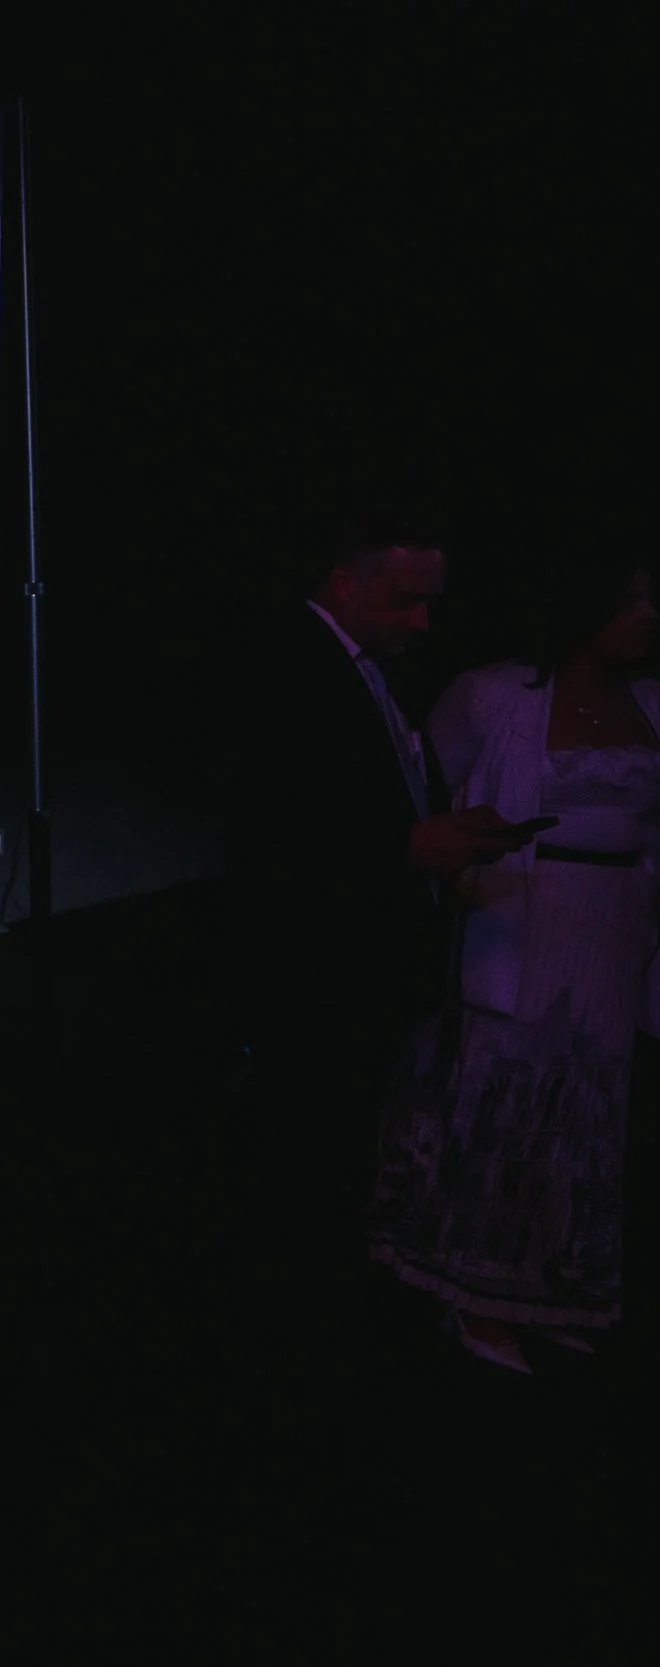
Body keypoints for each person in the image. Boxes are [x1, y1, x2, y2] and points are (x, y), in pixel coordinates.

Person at [218, 512, 537, 1529]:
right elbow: (274, 824)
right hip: (310, 977)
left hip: (361, 973)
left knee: (340, 1173)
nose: (422, 615)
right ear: (346, 580)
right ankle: (287, 1406)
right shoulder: (287, 663)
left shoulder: (367, 668)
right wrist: (407, 846)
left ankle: (316, 1377)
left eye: (430, 595)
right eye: (403, 595)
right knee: (303, 1181)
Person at [372, 558, 657, 1368]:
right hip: (522, 915)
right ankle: (475, 1293)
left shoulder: (650, 705)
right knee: (508, 1102)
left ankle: (553, 1286)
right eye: (630, 599)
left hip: (612, 928)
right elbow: (423, 784)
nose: (646, 614)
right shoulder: (499, 696)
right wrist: (458, 874)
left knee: (588, 1110)